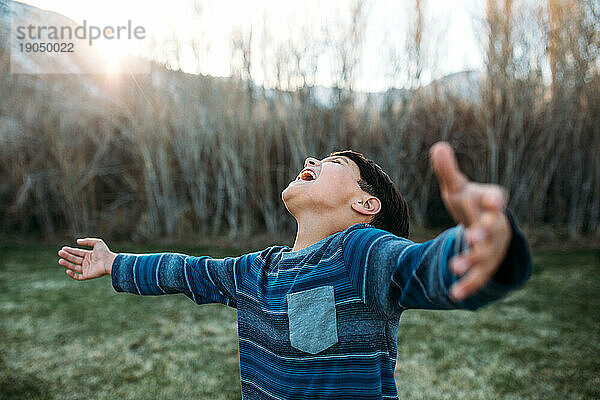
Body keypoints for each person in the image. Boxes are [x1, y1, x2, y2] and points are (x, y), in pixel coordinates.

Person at [58, 142, 532, 399]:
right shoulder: (259, 270)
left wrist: (487, 241)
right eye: (316, 158)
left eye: (333, 163)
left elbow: (418, 266)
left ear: (364, 203)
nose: (312, 161)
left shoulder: (359, 253)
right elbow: (189, 271)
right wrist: (116, 263)